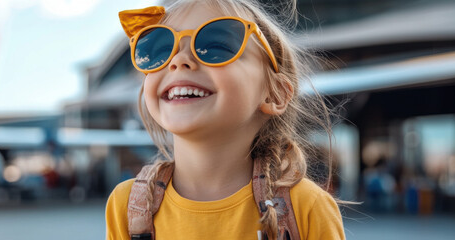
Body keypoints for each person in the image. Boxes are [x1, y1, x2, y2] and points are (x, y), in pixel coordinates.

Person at [106, 0, 345, 239]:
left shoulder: (306, 207)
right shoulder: (126, 206)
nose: (178, 60)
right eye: (160, 50)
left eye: (216, 45)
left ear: (275, 94)